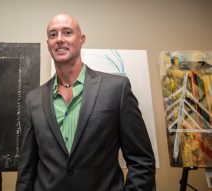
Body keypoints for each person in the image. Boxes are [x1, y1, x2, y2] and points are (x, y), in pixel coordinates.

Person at [16, 13, 156, 191]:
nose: (59, 39)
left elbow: (142, 161)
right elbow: (26, 169)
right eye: (53, 34)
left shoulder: (116, 89)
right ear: (48, 44)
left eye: (67, 32)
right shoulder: (33, 100)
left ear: (81, 39)